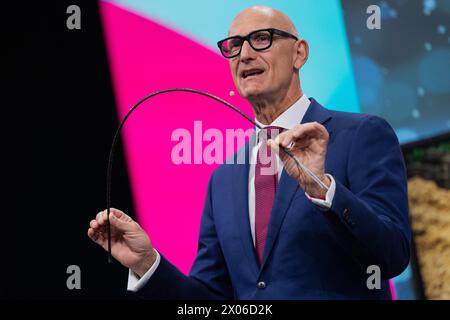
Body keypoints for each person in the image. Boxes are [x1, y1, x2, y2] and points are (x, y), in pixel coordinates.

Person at [88, 5, 411, 299]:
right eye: (234, 46)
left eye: (261, 39)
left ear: (299, 53)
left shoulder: (361, 134)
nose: (244, 54)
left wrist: (323, 189)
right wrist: (148, 264)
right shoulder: (223, 180)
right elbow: (211, 298)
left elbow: (392, 254)